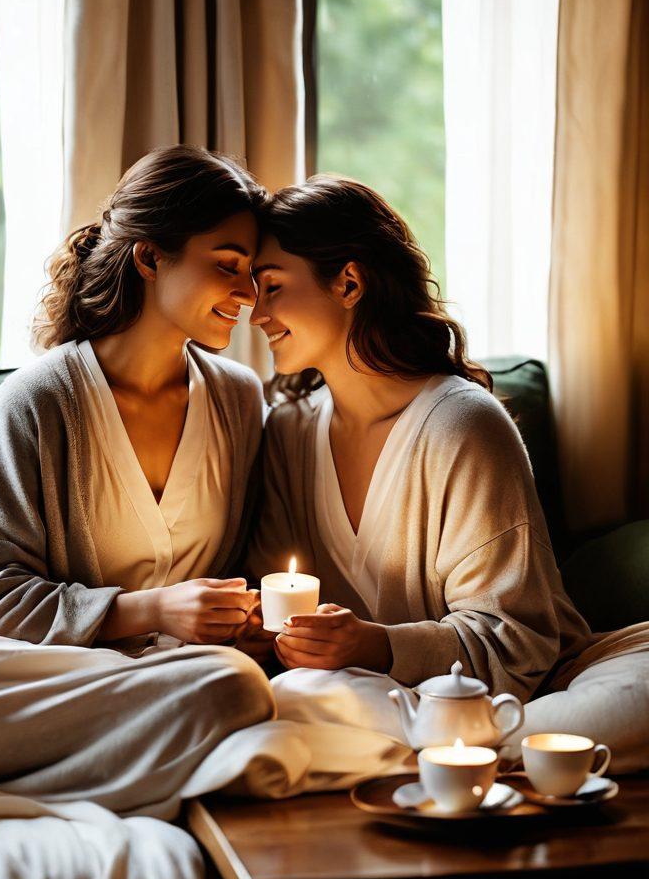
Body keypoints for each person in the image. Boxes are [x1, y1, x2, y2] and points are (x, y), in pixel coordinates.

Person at [0, 145, 274, 817]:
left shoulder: (240, 401)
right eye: (227, 266)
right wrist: (151, 610)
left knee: (233, 687)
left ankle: (10, 778)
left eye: (253, 273)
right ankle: (109, 770)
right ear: (149, 257)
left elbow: (246, 575)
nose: (247, 294)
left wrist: (245, 623)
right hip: (10, 661)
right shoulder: (40, 398)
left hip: (144, 678)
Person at [247, 173, 591, 715]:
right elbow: (274, 606)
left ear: (348, 284)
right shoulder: (289, 431)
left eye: (272, 287)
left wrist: (377, 645)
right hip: (349, 698)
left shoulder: (463, 425)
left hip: (520, 695)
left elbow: (516, 638)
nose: (257, 314)